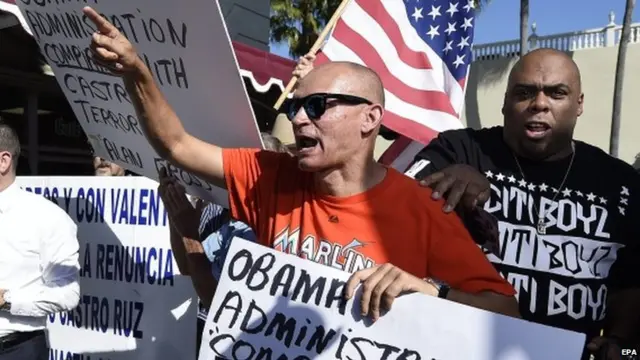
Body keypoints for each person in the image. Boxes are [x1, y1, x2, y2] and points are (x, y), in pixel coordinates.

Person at [84, 6, 519, 320]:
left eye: (316, 106)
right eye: (295, 107)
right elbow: (176, 144)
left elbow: (506, 313)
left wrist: (429, 291)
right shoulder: (270, 175)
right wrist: (136, 73)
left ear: (370, 118)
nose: (298, 118)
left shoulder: (423, 208)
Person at [405, 48, 640, 360]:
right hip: (457, 348)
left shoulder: (619, 182)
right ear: (505, 102)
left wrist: (621, 342)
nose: (539, 103)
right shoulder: (458, 149)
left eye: (557, 93)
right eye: (525, 92)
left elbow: (631, 283)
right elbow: (396, 206)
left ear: (578, 104)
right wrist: (449, 179)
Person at [160, 133, 288, 354]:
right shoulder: (215, 208)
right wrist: (176, 212)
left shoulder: (274, 229)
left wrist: (190, 234)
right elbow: (186, 267)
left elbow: (220, 303)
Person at [0, 123, 80, 359]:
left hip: (16, 349)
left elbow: (68, 293)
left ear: (3, 161)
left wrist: (6, 299)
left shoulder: (48, 218)